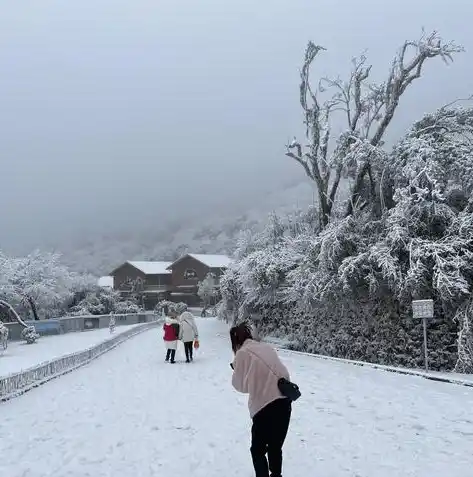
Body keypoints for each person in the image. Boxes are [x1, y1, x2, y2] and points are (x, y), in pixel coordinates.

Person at [230, 322, 292, 477]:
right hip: (284, 402)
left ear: (235, 341)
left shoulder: (242, 353)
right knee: (275, 446)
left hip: (264, 407)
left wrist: (236, 368)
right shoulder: (266, 347)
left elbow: (240, 386)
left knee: (257, 450)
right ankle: (276, 475)